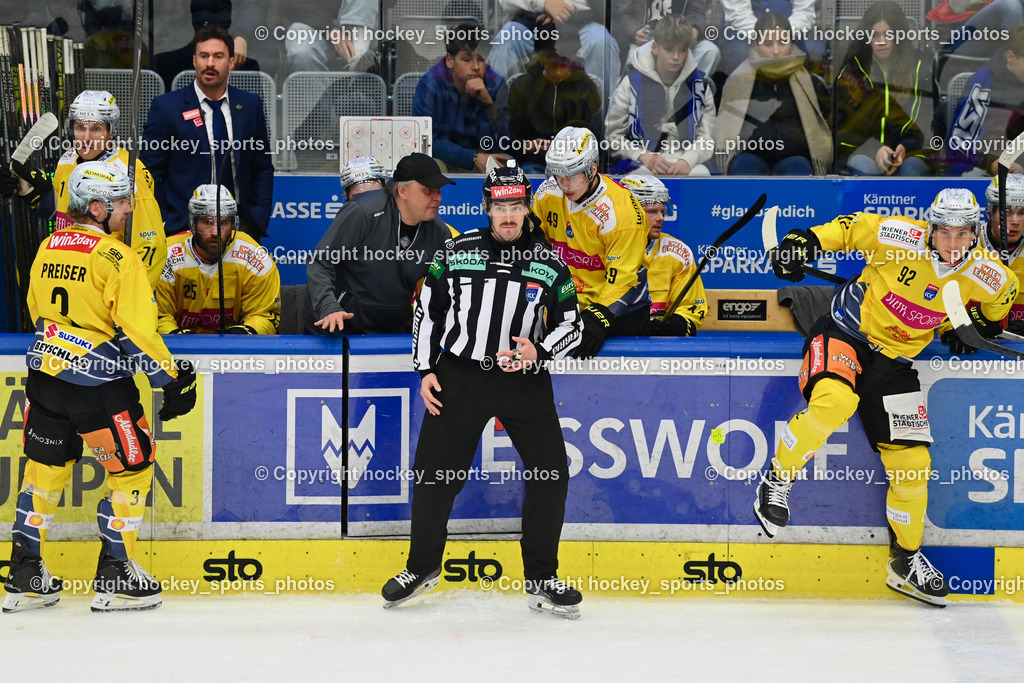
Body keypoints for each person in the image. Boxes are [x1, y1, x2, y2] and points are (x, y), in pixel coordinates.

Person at [755, 188, 1019, 607]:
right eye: (944, 232)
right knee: (834, 402)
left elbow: (997, 306)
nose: (952, 243)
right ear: (930, 229)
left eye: (962, 233)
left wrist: (972, 327)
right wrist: (802, 242)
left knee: (913, 465)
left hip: (894, 366)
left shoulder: (990, 274)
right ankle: (777, 478)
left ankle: (906, 560)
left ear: (975, 233)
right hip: (845, 334)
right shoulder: (900, 236)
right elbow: (850, 229)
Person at [381, 163, 584, 619]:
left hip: (524, 382)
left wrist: (541, 352)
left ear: (527, 207)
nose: (508, 215)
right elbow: (427, 313)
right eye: (499, 206)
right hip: (460, 376)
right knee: (434, 476)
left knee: (551, 474)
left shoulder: (550, 262)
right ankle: (422, 567)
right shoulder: (456, 251)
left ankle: (541, 577)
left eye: (515, 206)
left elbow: (574, 324)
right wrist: (425, 370)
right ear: (486, 208)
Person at [3, 162, 197, 614]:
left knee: (44, 469)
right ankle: (116, 574)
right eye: (121, 202)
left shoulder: (48, 246)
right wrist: (170, 379)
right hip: (100, 386)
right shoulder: (117, 256)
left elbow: (37, 311)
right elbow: (136, 333)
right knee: (132, 469)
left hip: (46, 379)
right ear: (96, 207)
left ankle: (24, 573)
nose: (128, 210)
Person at [142, 24, 274, 240]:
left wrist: (257, 219)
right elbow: (149, 172)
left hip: (240, 228)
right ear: (194, 60)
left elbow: (262, 168)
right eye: (204, 56)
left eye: (218, 56)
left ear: (231, 62)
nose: (210, 63)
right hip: (183, 229)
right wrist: (165, 220)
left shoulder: (250, 105)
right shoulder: (167, 107)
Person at [304, 153, 458, 335]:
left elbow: (445, 283)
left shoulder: (439, 233)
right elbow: (320, 262)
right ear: (402, 191)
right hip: (337, 322)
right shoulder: (363, 212)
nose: (437, 197)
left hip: (391, 328)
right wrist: (329, 306)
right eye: (428, 190)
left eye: (439, 190)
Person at [533, 126, 651, 358]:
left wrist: (600, 314)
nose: (565, 185)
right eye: (558, 175)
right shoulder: (548, 193)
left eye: (572, 175)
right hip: (568, 308)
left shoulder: (622, 212)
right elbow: (534, 245)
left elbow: (624, 278)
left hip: (621, 311)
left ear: (592, 168)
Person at [48, 91, 167, 289]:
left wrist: (130, 295)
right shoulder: (67, 160)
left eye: (96, 128)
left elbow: (151, 246)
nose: (86, 138)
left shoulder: (128, 172)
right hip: (73, 280)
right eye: (80, 127)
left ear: (111, 131)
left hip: (109, 286)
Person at [715, 11, 831, 176]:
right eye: (768, 44)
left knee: (800, 172)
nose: (776, 51)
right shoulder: (738, 81)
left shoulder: (811, 83)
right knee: (743, 168)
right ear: (755, 45)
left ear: (791, 42)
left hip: (795, 157)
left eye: (782, 42)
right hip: (750, 155)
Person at [157, 185, 280, 334]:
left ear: (234, 224)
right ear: (193, 223)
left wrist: (239, 336)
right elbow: (159, 316)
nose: (215, 232)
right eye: (207, 222)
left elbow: (264, 315)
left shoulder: (255, 259)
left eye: (223, 223)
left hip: (235, 351)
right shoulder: (165, 256)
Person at [605, 14, 717, 176]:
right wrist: (642, 156)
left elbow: (707, 139)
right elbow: (612, 137)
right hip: (641, 161)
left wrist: (688, 160)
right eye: (669, 49)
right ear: (655, 47)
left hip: (687, 162)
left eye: (683, 50)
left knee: (701, 175)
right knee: (640, 176)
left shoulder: (700, 85)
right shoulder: (631, 82)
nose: (676, 57)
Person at [834, 1, 931, 177]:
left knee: (912, 168)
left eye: (888, 35)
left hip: (910, 152)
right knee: (863, 166)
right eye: (875, 35)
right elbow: (844, 130)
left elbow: (928, 123)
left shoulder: (921, 68)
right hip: (863, 152)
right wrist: (875, 149)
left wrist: (905, 147)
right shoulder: (852, 71)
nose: (881, 42)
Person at [413, 24, 512, 173]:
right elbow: (426, 141)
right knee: (429, 167)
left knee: (508, 164)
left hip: (487, 157)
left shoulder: (496, 84)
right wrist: (472, 157)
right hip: (446, 159)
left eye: (480, 60)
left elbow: (506, 140)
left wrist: (489, 104)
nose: (476, 67)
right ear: (449, 60)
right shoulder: (431, 84)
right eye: (466, 60)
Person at [941, 174, 1024, 350]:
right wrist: (955, 329)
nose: (1015, 221)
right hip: (973, 353)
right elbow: (941, 297)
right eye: (1006, 211)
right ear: (989, 211)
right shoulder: (965, 243)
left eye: (1022, 212)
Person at [621, 174, 706, 335]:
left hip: (658, 348)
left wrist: (675, 324)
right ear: (628, 212)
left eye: (662, 211)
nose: (661, 218)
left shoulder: (678, 253)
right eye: (652, 211)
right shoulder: (599, 246)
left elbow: (692, 309)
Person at [489, 0, 620, 100]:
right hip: (528, 19)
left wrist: (563, 8)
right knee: (506, 40)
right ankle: (500, 123)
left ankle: (601, 124)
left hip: (580, 19)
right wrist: (543, 4)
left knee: (601, 42)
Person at [507, 37, 602, 174]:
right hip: (533, 161)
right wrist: (526, 146)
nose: (557, 72)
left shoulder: (586, 87)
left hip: (575, 162)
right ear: (541, 59)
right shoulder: (523, 86)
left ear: (572, 59)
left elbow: (594, 135)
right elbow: (509, 132)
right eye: (552, 65)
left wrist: (569, 148)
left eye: (563, 64)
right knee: (530, 174)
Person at [948, 23, 1024, 177]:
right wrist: (992, 163)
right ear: (1010, 57)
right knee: (970, 178)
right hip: (986, 170)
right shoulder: (982, 84)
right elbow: (961, 144)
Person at [153, 0, 261, 92]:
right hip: (184, 36)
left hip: (231, 36)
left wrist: (242, 35)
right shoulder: (167, 62)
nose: (210, 63)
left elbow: (253, 6)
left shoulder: (247, 65)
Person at [622, 0, 720, 78]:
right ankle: (642, 98)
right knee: (634, 58)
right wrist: (634, 31)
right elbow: (621, 14)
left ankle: (692, 93)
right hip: (646, 39)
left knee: (709, 52)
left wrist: (694, 29)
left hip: (681, 39)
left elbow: (697, 13)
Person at [283, 0, 379, 75]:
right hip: (312, 18)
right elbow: (293, 3)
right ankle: (318, 99)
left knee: (361, 60)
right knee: (302, 51)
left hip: (364, 23)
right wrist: (331, 31)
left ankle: (358, 74)